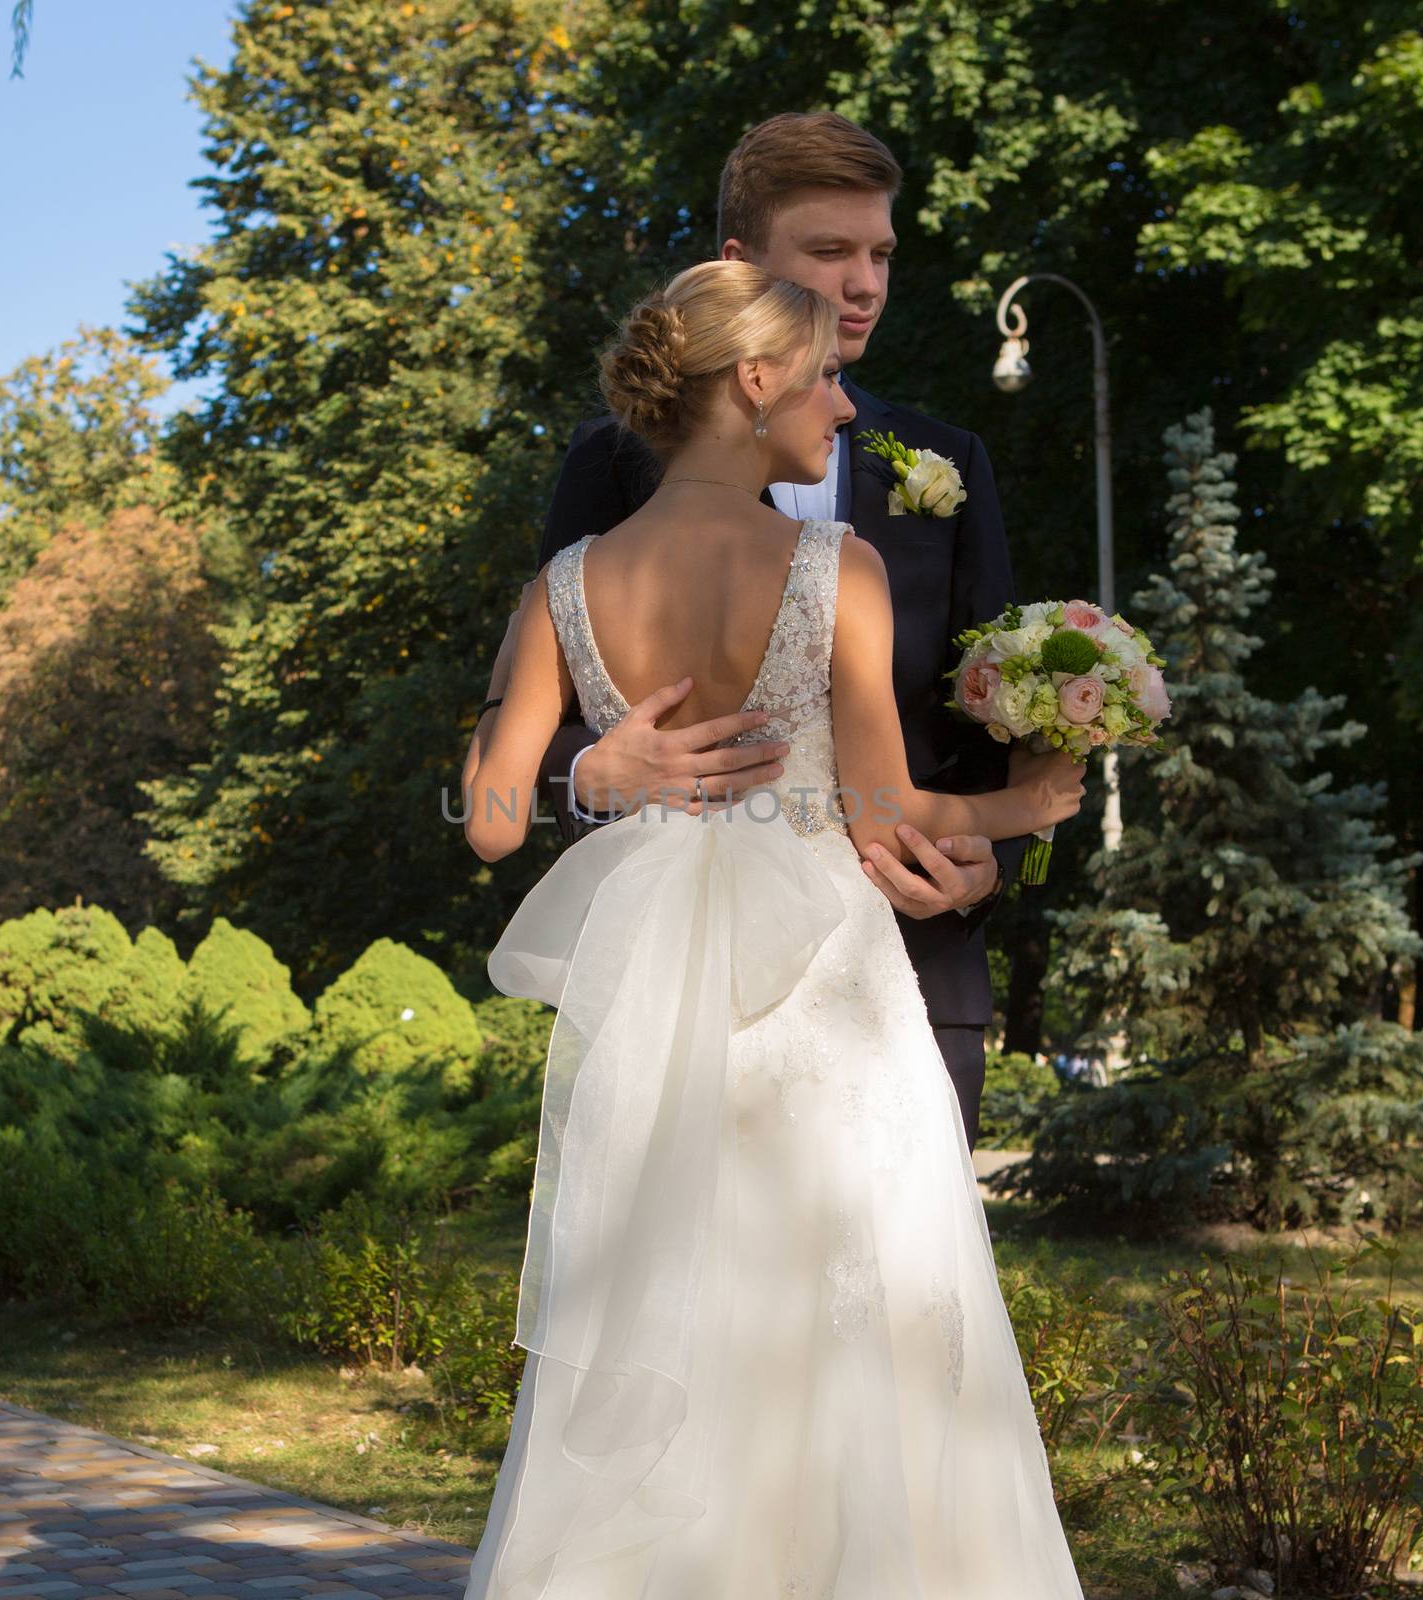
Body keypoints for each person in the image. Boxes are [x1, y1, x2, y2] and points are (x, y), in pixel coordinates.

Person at [458, 259, 1085, 1598]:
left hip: (655, 1009)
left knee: (669, 1311)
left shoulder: (570, 582)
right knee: (871, 1319)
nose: (846, 411)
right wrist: (1029, 803)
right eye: (826, 378)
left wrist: (598, 769)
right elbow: (881, 812)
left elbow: (494, 817)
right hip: (826, 997)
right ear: (756, 384)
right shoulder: (831, 564)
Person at [531, 110, 1081, 1151]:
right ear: (740, 268)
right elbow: (517, 734)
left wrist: (1001, 869)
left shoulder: (947, 461)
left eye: (879, 251)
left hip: (907, 978)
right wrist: (598, 769)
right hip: (673, 990)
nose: (866, 281)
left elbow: (1016, 737)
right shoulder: (609, 465)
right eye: (830, 251)